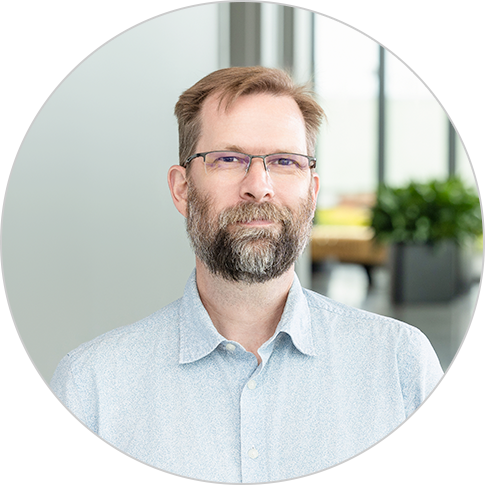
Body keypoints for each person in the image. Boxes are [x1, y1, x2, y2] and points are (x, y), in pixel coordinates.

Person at [50, 66, 443, 483]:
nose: (259, 185)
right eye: (228, 159)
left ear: (311, 191)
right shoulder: (91, 389)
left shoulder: (401, 366)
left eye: (284, 161)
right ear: (182, 188)